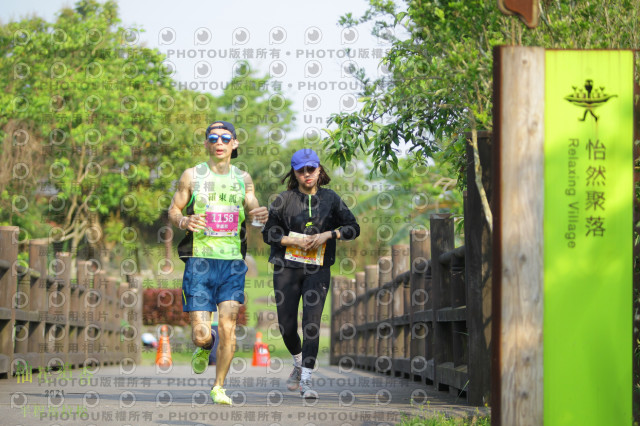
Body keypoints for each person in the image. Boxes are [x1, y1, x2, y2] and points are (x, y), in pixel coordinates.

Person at [168, 121, 268, 405]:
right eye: (213, 138)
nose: (219, 142)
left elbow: (252, 203)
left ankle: (219, 387)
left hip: (232, 264)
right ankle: (205, 346)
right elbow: (174, 209)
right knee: (201, 335)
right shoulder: (192, 175)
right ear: (206, 144)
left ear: (234, 143)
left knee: (228, 326)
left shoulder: (243, 178)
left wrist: (258, 212)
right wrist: (184, 220)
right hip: (200, 262)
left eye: (225, 138)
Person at [262, 148, 360, 399]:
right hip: (286, 268)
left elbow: (353, 227)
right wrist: (293, 241)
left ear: (319, 170)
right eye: (301, 170)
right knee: (286, 326)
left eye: (311, 169)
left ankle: (306, 381)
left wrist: (329, 234)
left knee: (312, 324)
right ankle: (298, 362)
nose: (307, 174)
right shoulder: (284, 199)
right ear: (294, 173)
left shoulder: (331, 198)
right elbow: (268, 233)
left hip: (318, 270)